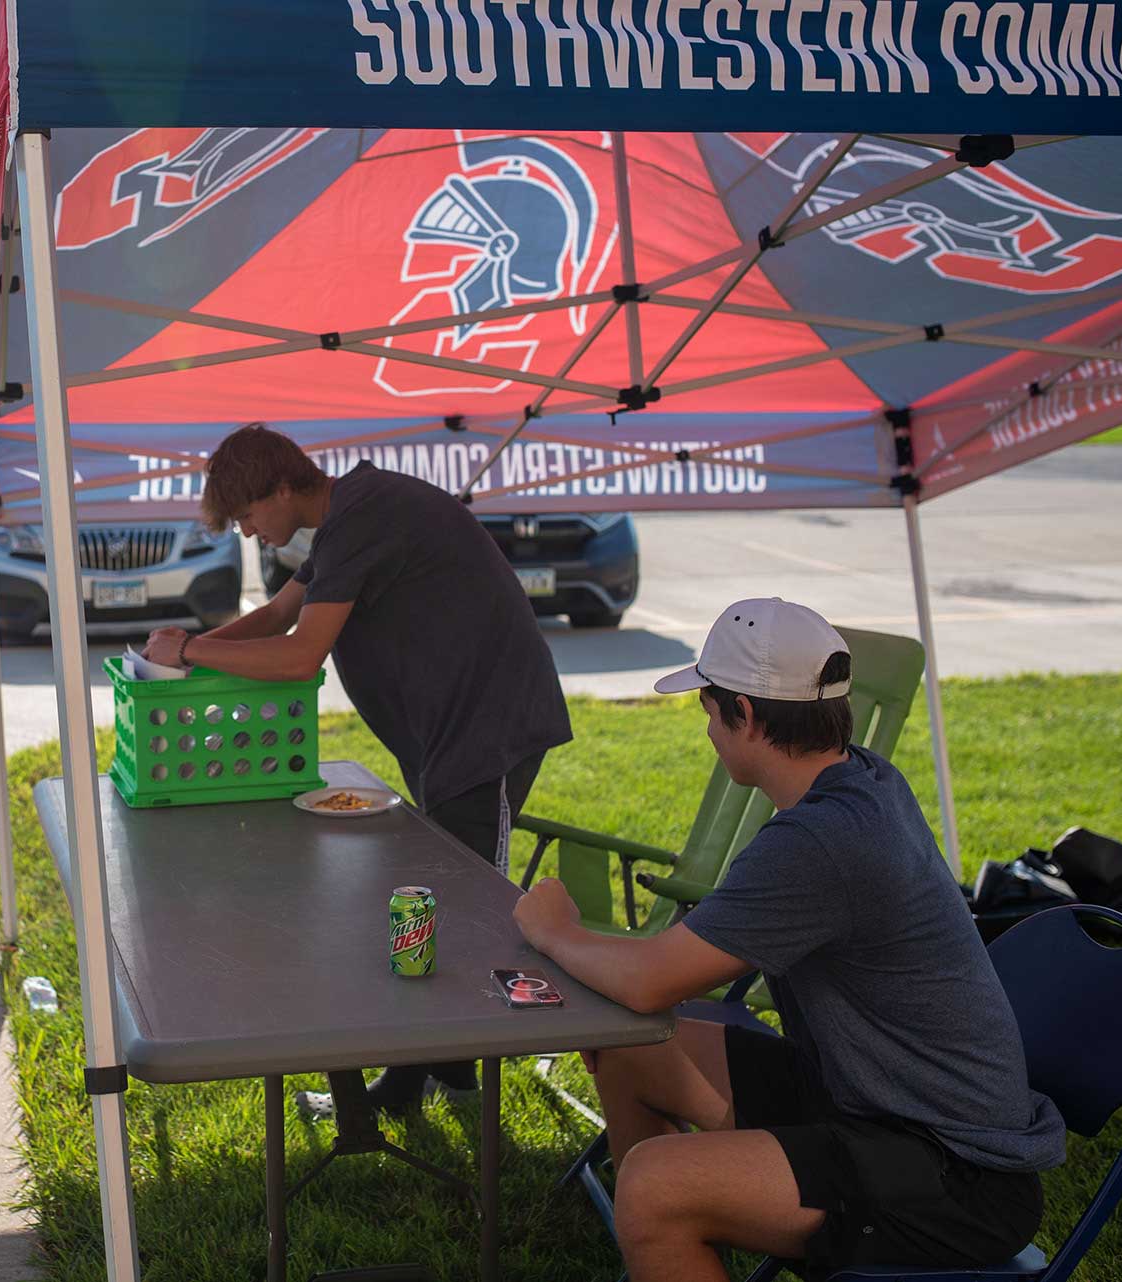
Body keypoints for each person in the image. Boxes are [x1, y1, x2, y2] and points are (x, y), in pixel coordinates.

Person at [512, 597, 1064, 1282]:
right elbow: (670, 970)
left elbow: (652, 979)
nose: (709, 732)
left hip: (954, 1172)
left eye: (710, 711)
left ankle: (666, 1215)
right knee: (631, 1051)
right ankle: (664, 1246)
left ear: (745, 715)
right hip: (862, 1096)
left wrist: (555, 930)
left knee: (656, 1184)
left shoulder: (824, 841)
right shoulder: (861, 779)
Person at [146, 422, 572, 1112]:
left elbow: (297, 655)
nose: (249, 534)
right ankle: (446, 1078)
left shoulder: (366, 514)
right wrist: (167, 660)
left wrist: (191, 652)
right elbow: (281, 614)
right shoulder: (349, 519)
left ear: (282, 486)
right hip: (446, 737)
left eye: (250, 514)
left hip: (489, 731)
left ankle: (428, 1086)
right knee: (435, 903)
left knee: (460, 907)